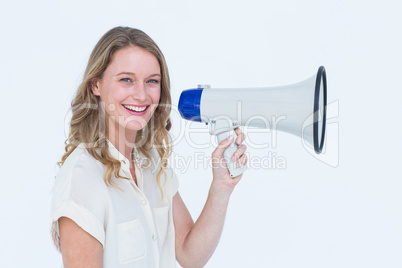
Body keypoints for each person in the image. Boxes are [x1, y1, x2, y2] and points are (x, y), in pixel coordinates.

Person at [51, 26, 248, 268]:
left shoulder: (150, 160)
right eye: (126, 80)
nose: (142, 95)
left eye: (152, 81)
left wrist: (221, 188)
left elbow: (189, 255)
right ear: (96, 85)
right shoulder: (82, 180)